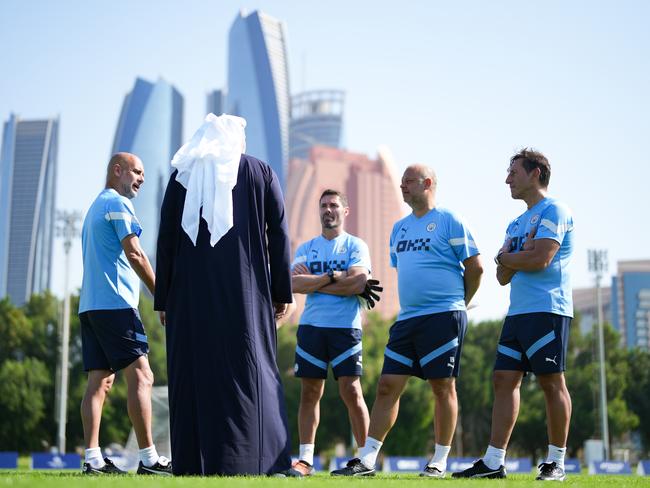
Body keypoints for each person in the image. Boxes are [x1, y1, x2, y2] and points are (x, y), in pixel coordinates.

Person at [154, 114, 294, 476]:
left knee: (194, 370)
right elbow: (278, 233)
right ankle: (262, 459)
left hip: (188, 296)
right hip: (245, 293)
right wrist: (282, 291)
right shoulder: (260, 172)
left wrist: (163, 298)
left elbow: (166, 240)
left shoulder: (182, 175)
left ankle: (192, 461)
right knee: (251, 369)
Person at [332, 164, 483, 477]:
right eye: (400, 183)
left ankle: (439, 461)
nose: (402, 187)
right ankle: (368, 460)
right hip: (408, 319)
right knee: (387, 386)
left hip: (444, 316)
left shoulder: (449, 220)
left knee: (442, 387)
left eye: (408, 182)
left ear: (427, 183)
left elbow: (476, 268)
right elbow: (406, 271)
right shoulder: (399, 228)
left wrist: (459, 305)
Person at [452, 149, 574, 481]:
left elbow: (540, 260)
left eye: (513, 172)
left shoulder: (555, 210)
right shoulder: (516, 223)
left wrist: (510, 256)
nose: (508, 179)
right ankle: (493, 462)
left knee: (551, 384)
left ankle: (556, 463)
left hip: (548, 310)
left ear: (535, 173)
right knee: (503, 380)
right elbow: (501, 275)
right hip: (517, 313)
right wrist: (515, 256)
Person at [78, 152, 171, 475]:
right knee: (143, 376)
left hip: (90, 307)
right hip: (115, 305)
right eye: (137, 172)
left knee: (99, 383)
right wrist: (163, 296)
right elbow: (135, 252)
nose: (142, 179)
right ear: (118, 171)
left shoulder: (94, 206)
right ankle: (149, 459)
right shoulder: (117, 203)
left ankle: (92, 459)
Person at [289, 189, 381, 476]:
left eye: (334, 205)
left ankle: (365, 461)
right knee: (309, 393)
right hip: (311, 328)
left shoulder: (356, 246)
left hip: (346, 329)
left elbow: (357, 285)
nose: (328, 210)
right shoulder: (306, 247)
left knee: (351, 391)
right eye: (324, 206)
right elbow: (293, 284)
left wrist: (314, 282)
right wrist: (331, 277)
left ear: (345, 211)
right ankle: (305, 460)